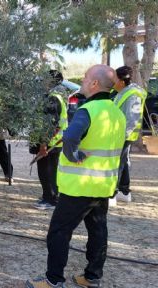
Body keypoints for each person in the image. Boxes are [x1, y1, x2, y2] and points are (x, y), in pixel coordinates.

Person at [26, 65, 125, 288]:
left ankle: (53, 280)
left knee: (59, 232)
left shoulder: (88, 110)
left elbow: (70, 137)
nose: (82, 81)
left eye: (86, 77)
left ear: (94, 84)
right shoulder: (116, 112)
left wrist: (73, 155)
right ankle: (92, 277)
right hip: (103, 185)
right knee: (98, 231)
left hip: (80, 186)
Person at [32, 70, 68, 210]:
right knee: (51, 170)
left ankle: (50, 199)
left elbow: (50, 124)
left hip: (50, 142)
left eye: (45, 79)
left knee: (46, 171)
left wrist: (43, 144)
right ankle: (51, 195)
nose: (42, 81)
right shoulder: (57, 96)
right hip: (54, 141)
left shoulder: (52, 98)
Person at [111, 66, 147, 204]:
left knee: (117, 163)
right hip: (119, 134)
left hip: (123, 136)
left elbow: (132, 118)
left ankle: (112, 195)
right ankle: (123, 191)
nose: (112, 82)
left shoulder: (133, 94)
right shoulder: (122, 92)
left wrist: (122, 137)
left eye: (114, 79)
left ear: (121, 81)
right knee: (123, 162)